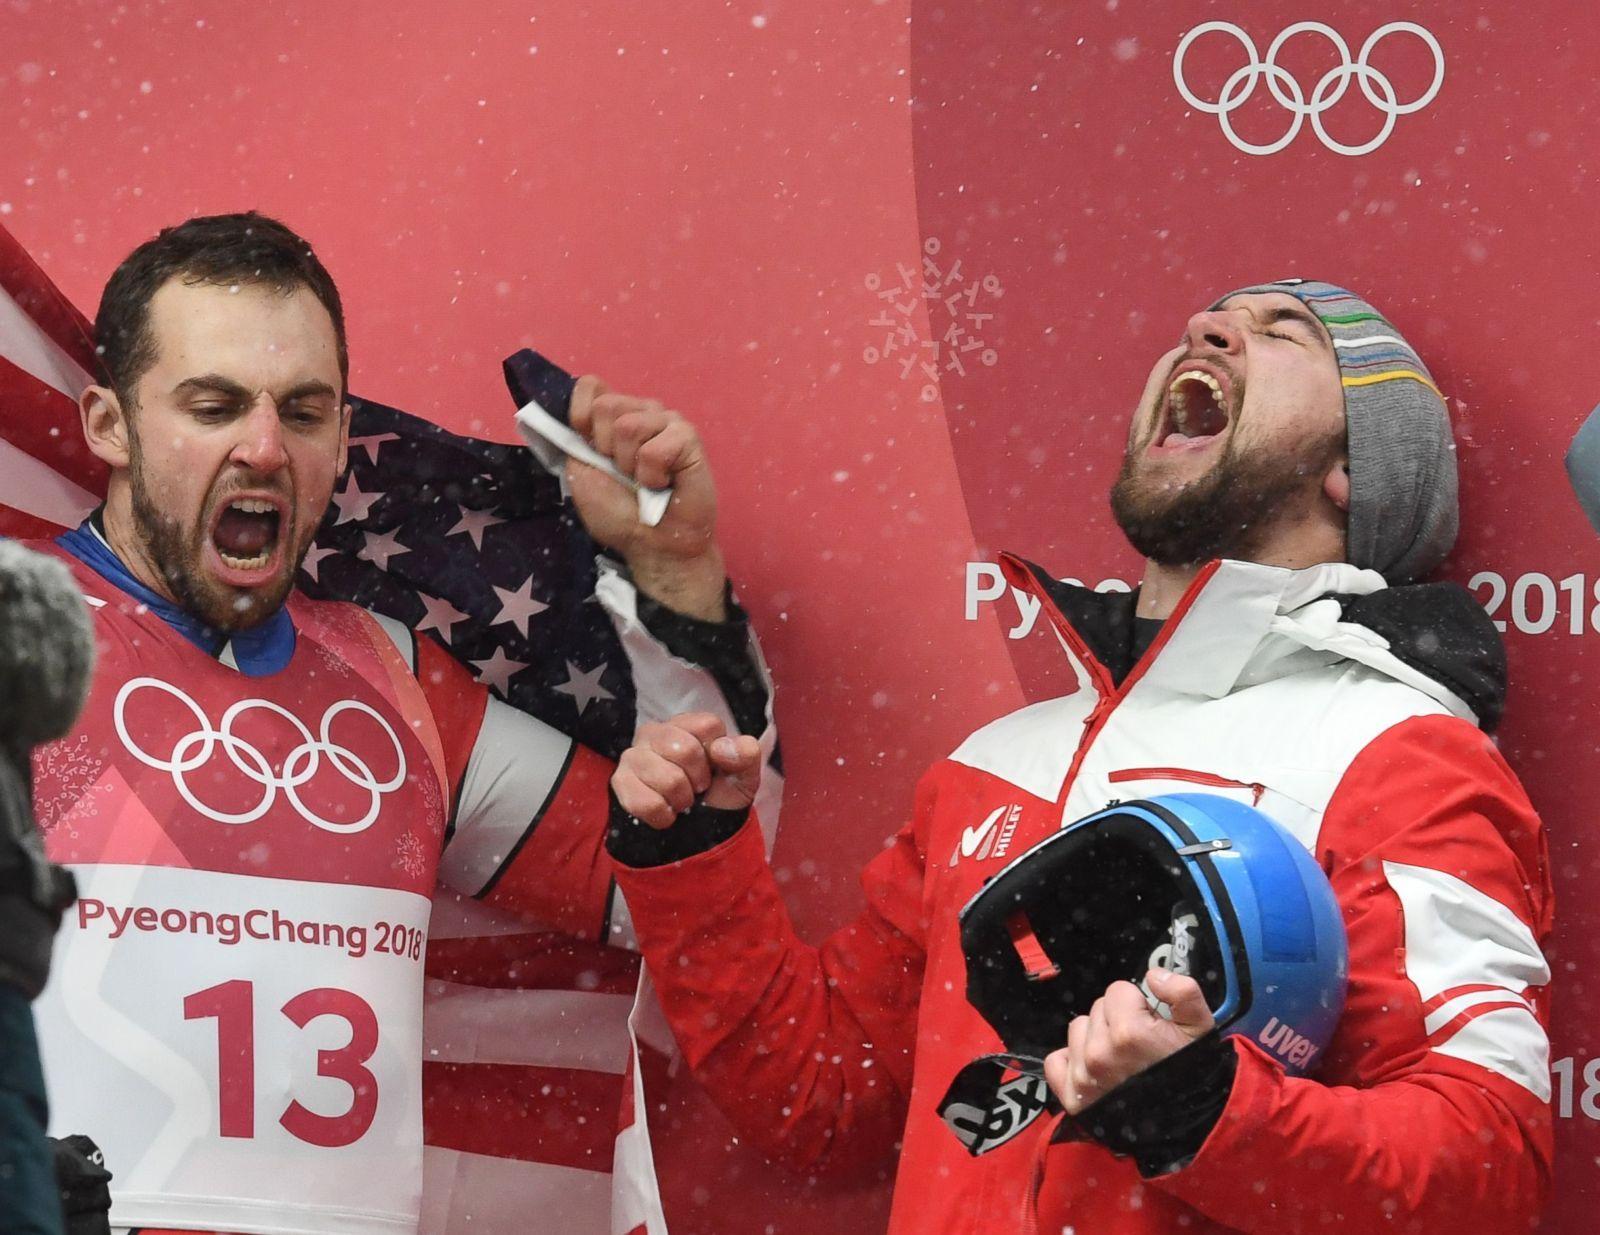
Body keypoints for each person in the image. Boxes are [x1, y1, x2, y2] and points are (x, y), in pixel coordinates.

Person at [606, 280, 1554, 1234]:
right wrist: (692, 858)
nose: (1206, 326)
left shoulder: (1396, 753)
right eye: (1211, 317)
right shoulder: (999, 760)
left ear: (1355, 469)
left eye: (1282, 334)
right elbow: (824, 1104)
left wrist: (1205, 1113)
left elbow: (1489, 1159)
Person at [20, 212, 771, 1235]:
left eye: (304, 410)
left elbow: (687, 893)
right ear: (108, 423)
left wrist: (675, 569)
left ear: (340, 434)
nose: (263, 447)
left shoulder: (389, 674)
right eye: (213, 404)